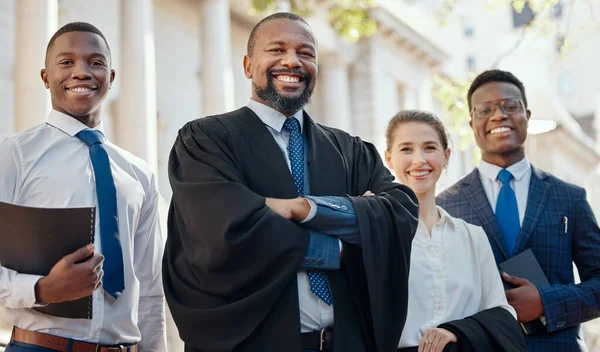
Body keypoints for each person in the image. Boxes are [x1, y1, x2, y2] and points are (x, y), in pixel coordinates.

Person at [163, 12, 419, 352]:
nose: (292, 61)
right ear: (247, 65)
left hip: (345, 343)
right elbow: (224, 230)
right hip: (251, 343)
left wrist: (305, 209)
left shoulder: (350, 150)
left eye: (306, 53)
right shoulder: (206, 141)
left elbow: (399, 213)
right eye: (277, 49)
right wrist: (341, 246)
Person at [0, 22, 166, 351]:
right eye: (66, 62)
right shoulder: (14, 155)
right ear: (45, 77)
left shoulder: (139, 174)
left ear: (111, 77)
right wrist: (41, 289)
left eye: (95, 62)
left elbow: (148, 289)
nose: (82, 72)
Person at [437, 69, 600, 351]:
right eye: (485, 110)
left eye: (510, 106)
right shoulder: (446, 206)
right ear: (472, 122)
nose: (498, 115)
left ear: (527, 114)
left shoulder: (568, 198)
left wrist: (545, 303)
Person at [383, 110, 526, 352]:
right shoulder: (377, 234)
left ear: (446, 156)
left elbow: (502, 313)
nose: (419, 160)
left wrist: (455, 331)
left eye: (429, 148)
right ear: (388, 159)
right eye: (406, 149)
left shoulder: (472, 237)